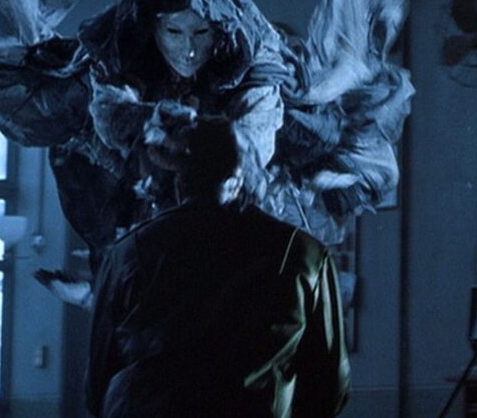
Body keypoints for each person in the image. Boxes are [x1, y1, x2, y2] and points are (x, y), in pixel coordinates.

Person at [0, 0, 413, 298]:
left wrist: (218, 148)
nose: (189, 50)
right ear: (153, 29)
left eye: (200, 35)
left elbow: (257, 134)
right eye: (175, 34)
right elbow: (108, 114)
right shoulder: (120, 47)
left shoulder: (254, 54)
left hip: (241, 144)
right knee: (63, 103)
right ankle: (109, 280)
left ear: (220, 32)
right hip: (146, 146)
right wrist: (153, 130)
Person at [86, 116, 350, 418]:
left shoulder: (128, 253)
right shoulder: (301, 253)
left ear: (180, 179)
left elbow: (98, 383)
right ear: (247, 177)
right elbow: (330, 387)